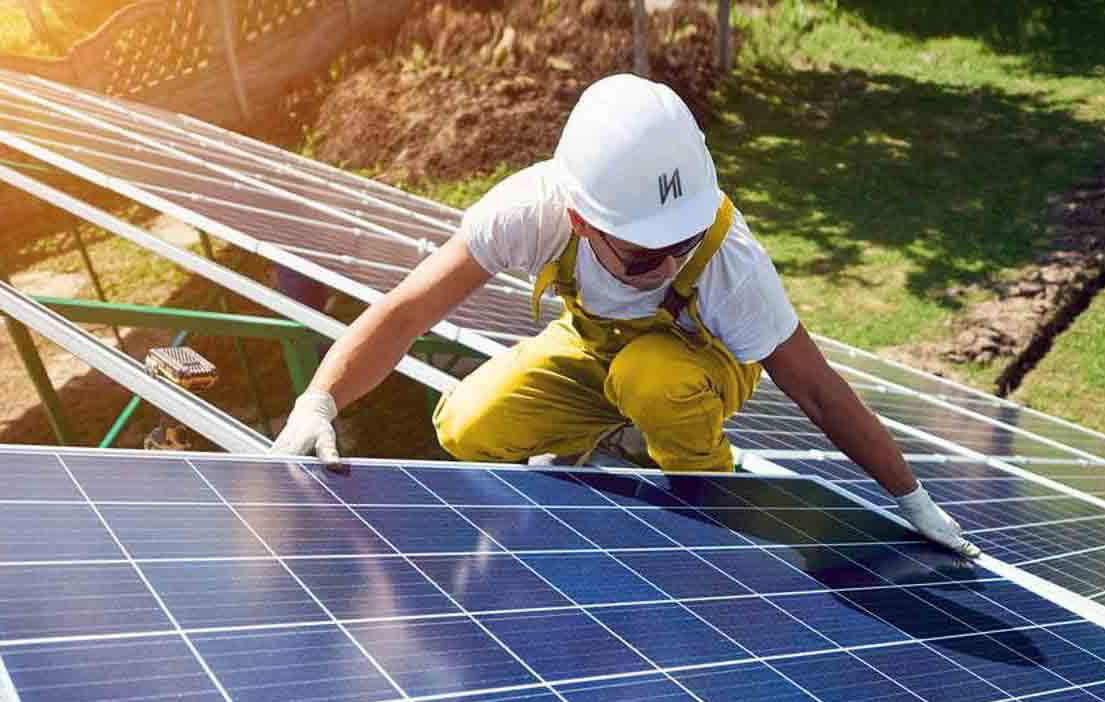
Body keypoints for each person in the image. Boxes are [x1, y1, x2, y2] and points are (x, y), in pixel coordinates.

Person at [270, 74, 979, 558]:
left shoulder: (731, 260)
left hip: (699, 366)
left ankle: (705, 503)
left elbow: (818, 390)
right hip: (593, 348)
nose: (670, 266)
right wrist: (318, 400)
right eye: (645, 257)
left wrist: (910, 498)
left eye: (683, 245)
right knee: (464, 422)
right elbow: (405, 311)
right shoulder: (530, 211)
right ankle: (612, 435)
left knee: (653, 380)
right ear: (579, 220)